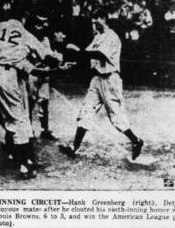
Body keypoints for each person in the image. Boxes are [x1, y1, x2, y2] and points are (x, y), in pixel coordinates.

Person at [0, 9, 63, 179]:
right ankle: (24, 166)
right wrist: (58, 59)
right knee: (19, 121)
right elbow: (46, 58)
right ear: (23, 18)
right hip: (6, 74)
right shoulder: (25, 34)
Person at [59, 9, 144, 160]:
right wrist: (74, 60)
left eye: (97, 20)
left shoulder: (112, 36)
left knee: (116, 117)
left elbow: (99, 54)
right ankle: (74, 147)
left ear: (104, 19)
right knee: (86, 111)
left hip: (110, 79)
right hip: (97, 79)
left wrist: (77, 51)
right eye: (93, 21)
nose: (94, 24)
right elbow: (88, 56)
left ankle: (136, 141)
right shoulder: (98, 37)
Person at [27, 13, 59, 141]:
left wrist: (55, 57)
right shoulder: (28, 39)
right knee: (30, 101)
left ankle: (44, 129)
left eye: (42, 24)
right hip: (33, 72)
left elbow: (48, 53)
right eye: (38, 24)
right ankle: (28, 130)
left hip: (44, 72)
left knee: (44, 101)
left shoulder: (45, 39)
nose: (41, 27)